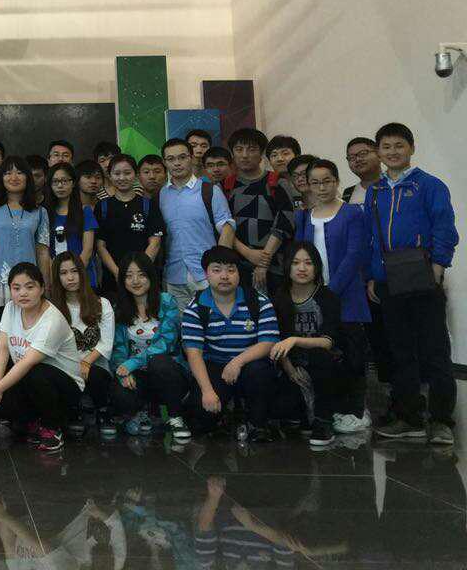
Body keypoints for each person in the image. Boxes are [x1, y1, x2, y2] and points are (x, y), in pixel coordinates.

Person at [366, 122, 457, 445]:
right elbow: (372, 236)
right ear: (379, 152)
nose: (392, 152)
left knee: (434, 350)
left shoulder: (430, 185)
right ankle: (410, 418)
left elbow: (444, 227)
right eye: (386, 147)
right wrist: (373, 276)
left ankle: (442, 420)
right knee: (400, 351)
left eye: (399, 145)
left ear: (412, 148)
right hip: (388, 280)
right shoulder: (375, 191)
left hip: (423, 275)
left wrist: (438, 266)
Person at [294, 157, 371, 430]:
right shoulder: (305, 216)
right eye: (315, 182)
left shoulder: (352, 213)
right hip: (315, 296)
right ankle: (331, 409)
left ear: (337, 182)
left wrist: (330, 291)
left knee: (353, 354)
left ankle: (357, 411)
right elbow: (301, 256)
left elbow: (354, 255)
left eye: (327, 181)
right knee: (325, 356)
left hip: (346, 295)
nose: (321, 187)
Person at [0, 262, 83, 451]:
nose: (23, 293)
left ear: (42, 288)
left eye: (29, 287)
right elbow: (2, 348)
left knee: (33, 372)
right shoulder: (10, 308)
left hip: (65, 388)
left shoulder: (52, 320)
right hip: (30, 378)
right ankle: (33, 421)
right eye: (16, 288)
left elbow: (28, 362)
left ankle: (52, 429)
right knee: (1, 391)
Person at [180, 245, 279, 441]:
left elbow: (269, 341)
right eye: (217, 270)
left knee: (259, 372)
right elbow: (193, 353)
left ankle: (257, 424)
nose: (224, 276)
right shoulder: (196, 307)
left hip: (250, 365)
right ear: (206, 274)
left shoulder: (258, 301)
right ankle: (225, 415)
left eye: (231, 270)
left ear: (238, 273)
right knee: (202, 415)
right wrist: (207, 392)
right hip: (215, 366)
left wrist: (237, 362)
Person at [270, 243, 347, 448]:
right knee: (284, 405)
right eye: (296, 263)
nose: (302, 268)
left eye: (308, 263)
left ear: (317, 267)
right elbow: (274, 338)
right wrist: (289, 368)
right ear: (287, 267)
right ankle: (300, 416)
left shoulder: (327, 297)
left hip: (323, 361)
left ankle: (323, 422)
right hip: (291, 362)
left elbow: (328, 341)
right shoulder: (279, 298)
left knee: (321, 356)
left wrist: (294, 340)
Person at [109, 253, 191, 439]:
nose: (135, 281)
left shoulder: (167, 301)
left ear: (151, 276)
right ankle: (140, 413)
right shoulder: (119, 309)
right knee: (119, 392)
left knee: (159, 362)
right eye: (129, 276)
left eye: (141, 275)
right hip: (139, 375)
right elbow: (117, 349)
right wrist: (123, 371)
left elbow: (167, 342)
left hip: (168, 372)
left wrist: (133, 363)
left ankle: (175, 417)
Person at [0, 155, 48, 335]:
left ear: (28, 177)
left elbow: (43, 252)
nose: (13, 177)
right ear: (1, 177)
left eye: (19, 172)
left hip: (29, 286)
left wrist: (45, 286)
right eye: (8, 173)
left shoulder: (39, 211)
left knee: (28, 341)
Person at [158, 139, 235, 309]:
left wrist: (219, 267)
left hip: (206, 275)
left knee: (213, 322)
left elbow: (227, 227)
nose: (177, 163)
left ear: (192, 158)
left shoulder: (209, 190)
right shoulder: (162, 194)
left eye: (182, 157)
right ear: (164, 162)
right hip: (173, 276)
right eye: (171, 159)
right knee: (180, 325)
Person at [50, 251, 116, 437]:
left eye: (74, 271)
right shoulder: (52, 308)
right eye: (63, 273)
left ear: (82, 272)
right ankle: (75, 410)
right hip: (65, 365)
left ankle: (103, 411)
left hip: (95, 364)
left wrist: (86, 361)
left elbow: (106, 343)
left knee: (95, 375)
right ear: (57, 278)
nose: (70, 278)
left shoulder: (102, 304)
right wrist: (74, 364)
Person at [226, 128, 295, 295]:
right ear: (232, 153)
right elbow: (223, 226)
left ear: (262, 153)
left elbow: (284, 224)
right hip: (236, 267)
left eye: (251, 149)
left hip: (275, 267)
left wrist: (263, 262)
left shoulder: (277, 183)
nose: (244, 155)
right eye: (239, 149)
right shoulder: (226, 186)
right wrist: (248, 253)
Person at [94, 154, 164, 287]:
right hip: (112, 279)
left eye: (127, 173)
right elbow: (100, 246)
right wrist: (118, 274)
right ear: (109, 176)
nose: (122, 178)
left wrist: (137, 274)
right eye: (117, 173)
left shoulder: (148, 205)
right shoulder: (102, 207)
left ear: (136, 175)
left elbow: (155, 243)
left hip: (144, 278)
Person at [45, 162, 98, 287]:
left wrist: (74, 275)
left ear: (73, 183)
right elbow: (45, 251)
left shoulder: (85, 211)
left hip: (84, 277)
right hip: (57, 279)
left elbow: (88, 249)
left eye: (64, 181)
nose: (60, 185)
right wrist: (58, 277)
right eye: (55, 181)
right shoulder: (45, 213)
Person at [342, 136, 381, 205]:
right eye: (352, 157)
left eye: (363, 153)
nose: (358, 159)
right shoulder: (347, 194)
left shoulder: (395, 186)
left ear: (379, 154)